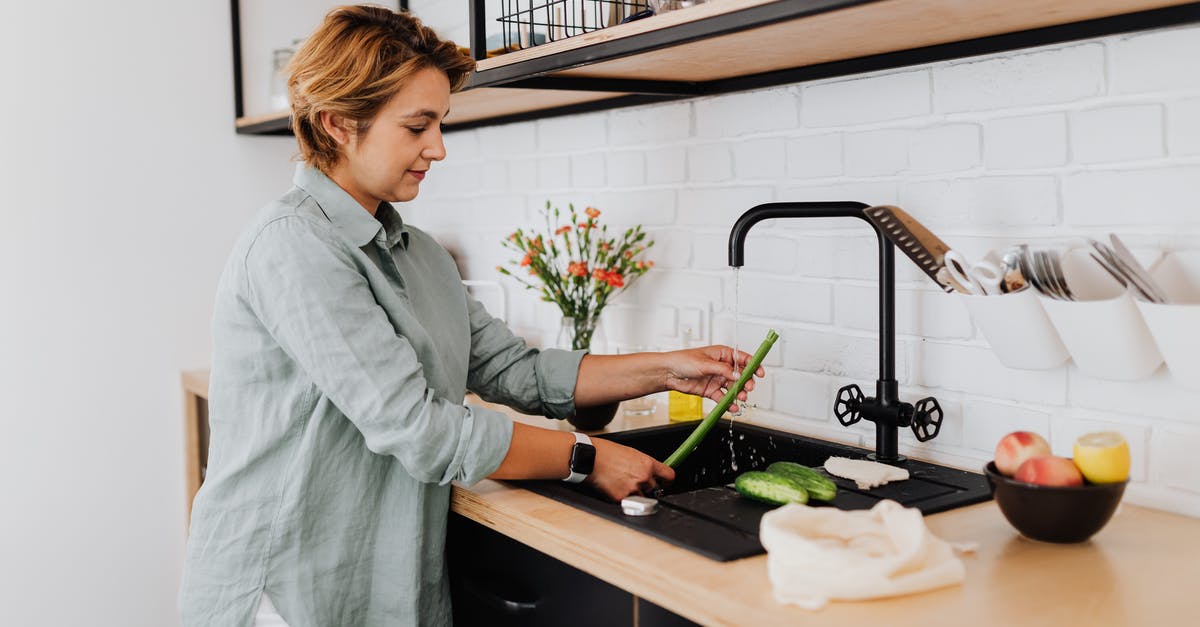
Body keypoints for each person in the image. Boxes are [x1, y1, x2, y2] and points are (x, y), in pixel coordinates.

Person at [179, 5, 763, 627]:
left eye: (440, 122)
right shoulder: (293, 246)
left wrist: (666, 369)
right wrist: (587, 457)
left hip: (388, 583)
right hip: (285, 592)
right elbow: (419, 429)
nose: (437, 147)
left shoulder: (419, 255)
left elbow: (518, 372)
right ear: (338, 124)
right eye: (417, 126)